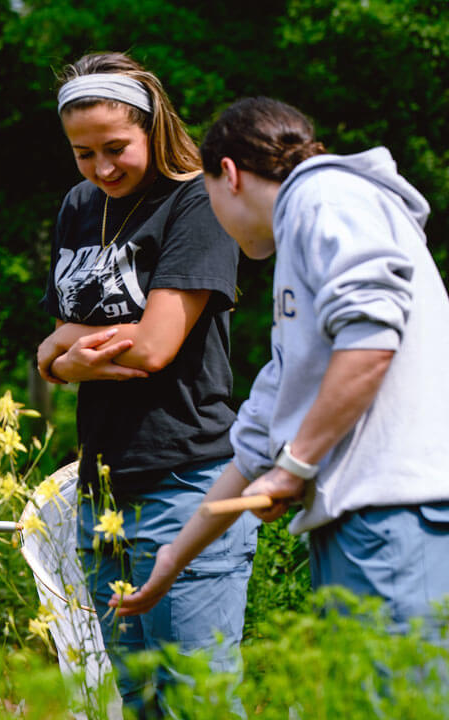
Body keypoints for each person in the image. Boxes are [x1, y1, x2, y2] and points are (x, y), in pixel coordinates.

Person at [114, 97, 449, 644]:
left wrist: (295, 465)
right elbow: (259, 432)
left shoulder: (326, 198)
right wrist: (174, 557)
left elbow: (371, 339)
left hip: (394, 516)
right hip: (364, 524)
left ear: (228, 174)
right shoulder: (307, 227)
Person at [35, 52, 257, 716]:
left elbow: (156, 347)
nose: (101, 169)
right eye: (83, 154)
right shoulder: (81, 206)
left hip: (188, 478)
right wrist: (63, 357)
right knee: (139, 696)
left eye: (115, 148)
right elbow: (51, 344)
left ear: (152, 128)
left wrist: (68, 355)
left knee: (197, 698)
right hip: (102, 485)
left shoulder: (197, 200)